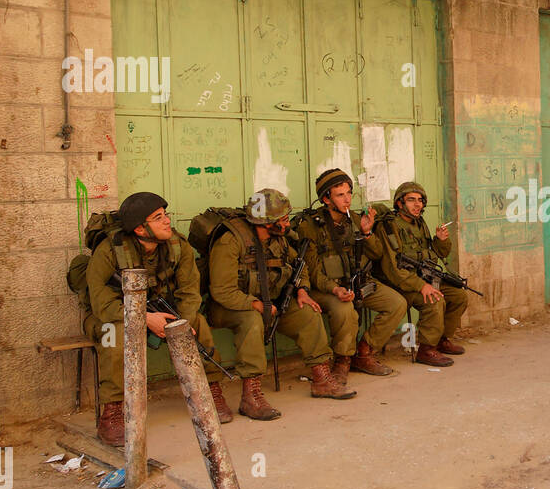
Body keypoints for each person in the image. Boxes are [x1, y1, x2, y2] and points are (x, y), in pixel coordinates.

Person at [83, 191, 230, 447]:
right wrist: (144, 319)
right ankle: (112, 411)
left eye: (166, 214)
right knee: (114, 335)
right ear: (140, 228)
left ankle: (208, 393)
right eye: (158, 217)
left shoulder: (178, 245)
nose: (167, 221)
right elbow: (102, 305)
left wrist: (180, 322)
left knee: (197, 324)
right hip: (114, 315)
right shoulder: (109, 250)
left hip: (163, 310)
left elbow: (190, 291)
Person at [206, 188, 352, 420]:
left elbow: (299, 266)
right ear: (266, 222)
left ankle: (322, 378)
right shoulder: (230, 242)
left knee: (308, 313)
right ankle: (250, 396)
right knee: (252, 320)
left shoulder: (281, 239)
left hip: (272, 301)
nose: (287, 222)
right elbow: (222, 291)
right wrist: (253, 304)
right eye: (282, 219)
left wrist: (302, 290)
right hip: (229, 307)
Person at [295, 169, 408, 381]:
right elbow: (312, 271)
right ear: (326, 198)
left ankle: (364, 352)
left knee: (397, 303)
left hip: (358, 282)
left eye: (349, 193)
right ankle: (343, 360)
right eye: (340, 195)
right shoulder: (310, 226)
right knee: (345, 309)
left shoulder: (354, 219)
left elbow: (376, 254)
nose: (347, 199)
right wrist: (335, 289)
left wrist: (367, 232)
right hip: (326, 288)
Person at [374, 181, 468, 367]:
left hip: (423, 277)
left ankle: (440, 339)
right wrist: (420, 286)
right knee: (434, 299)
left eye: (420, 201)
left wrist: (440, 241)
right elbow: (393, 268)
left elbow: (434, 254)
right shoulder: (390, 226)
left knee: (458, 295)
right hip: (400, 282)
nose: (418, 205)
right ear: (400, 203)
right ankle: (426, 350)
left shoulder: (419, 223)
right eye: (411, 200)